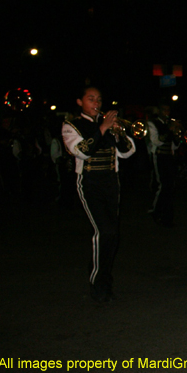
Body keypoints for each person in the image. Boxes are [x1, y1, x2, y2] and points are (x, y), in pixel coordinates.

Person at [61, 86, 136, 302]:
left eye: (99, 99)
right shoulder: (71, 124)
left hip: (111, 181)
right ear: (79, 101)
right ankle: (98, 284)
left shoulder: (110, 125)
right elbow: (81, 151)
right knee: (104, 231)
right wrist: (102, 128)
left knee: (113, 234)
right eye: (91, 98)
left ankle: (104, 278)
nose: (96, 103)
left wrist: (118, 132)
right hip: (89, 182)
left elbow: (128, 152)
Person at [147, 104, 180, 226]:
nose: (167, 112)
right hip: (159, 156)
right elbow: (156, 141)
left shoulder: (168, 124)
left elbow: (174, 145)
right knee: (163, 185)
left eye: (168, 109)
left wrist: (177, 135)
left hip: (169, 156)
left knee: (171, 186)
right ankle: (155, 210)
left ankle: (167, 214)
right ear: (159, 111)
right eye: (165, 109)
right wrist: (170, 130)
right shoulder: (152, 123)